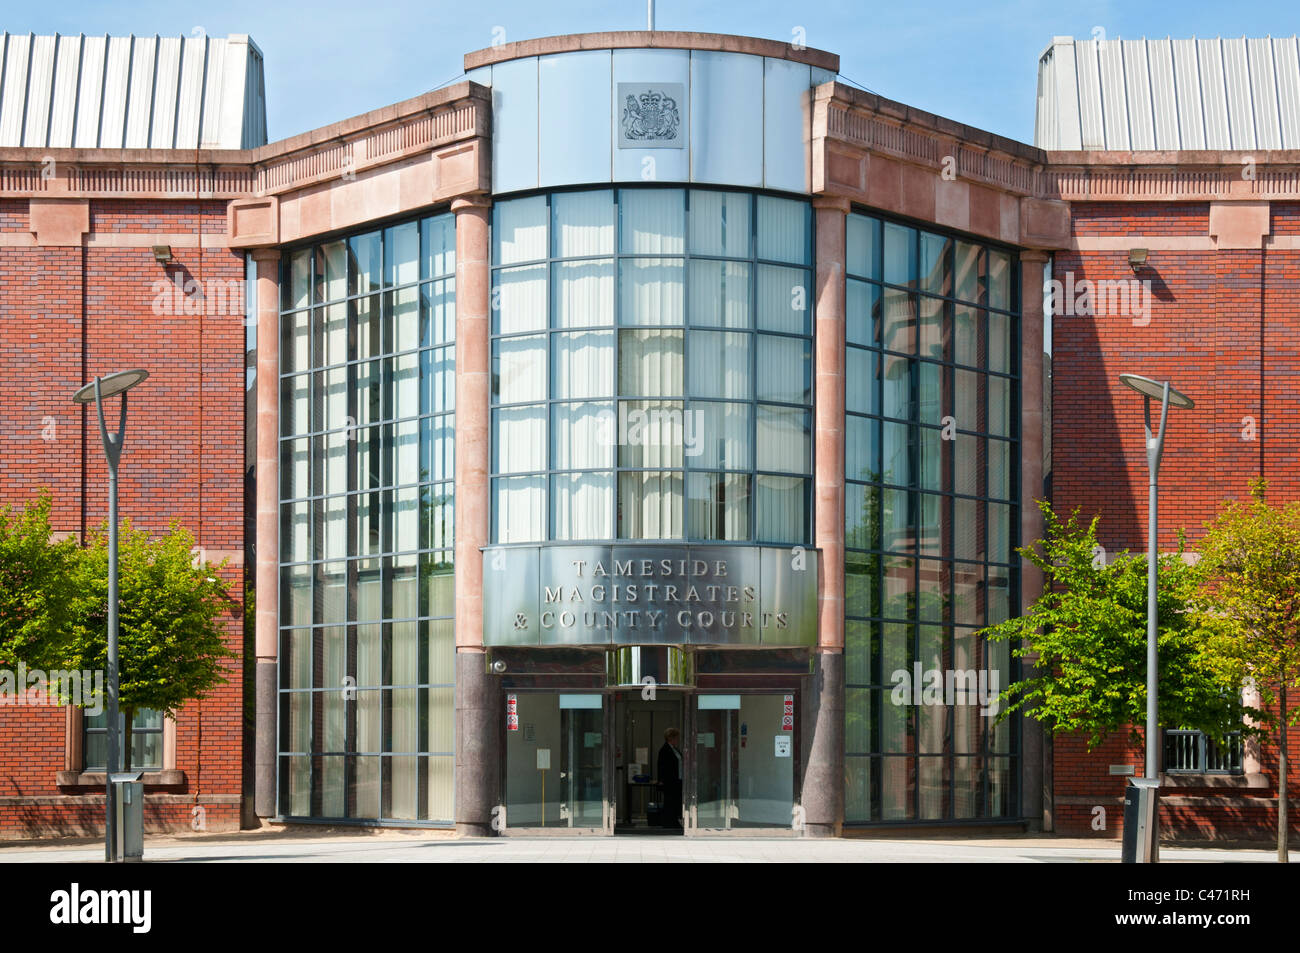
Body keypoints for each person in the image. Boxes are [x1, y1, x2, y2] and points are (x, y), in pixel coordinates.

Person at [656, 727, 683, 830]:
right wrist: (661, 780)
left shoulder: (675, 749)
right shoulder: (665, 750)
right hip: (670, 781)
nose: (677, 739)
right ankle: (669, 822)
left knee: (675, 801)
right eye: (676, 737)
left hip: (677, 780)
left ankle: (674, 821)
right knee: (670, 801)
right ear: (670, 738)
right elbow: (661, 766)